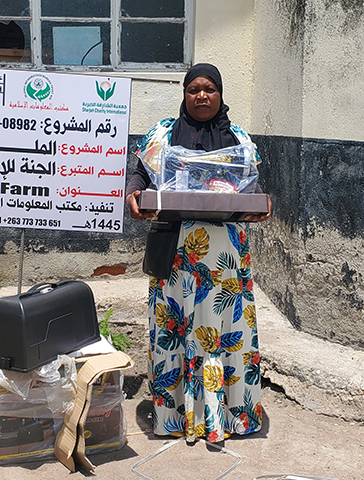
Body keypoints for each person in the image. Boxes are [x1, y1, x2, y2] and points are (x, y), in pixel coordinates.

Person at [126, 63, 271, 442]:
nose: (202, 96)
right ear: (184, 94)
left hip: (225, 257)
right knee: (176, 328)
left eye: (209, 89)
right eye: (194, 89)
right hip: (176, 254)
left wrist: (260, 203)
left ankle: (227, 416)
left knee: (225, 330)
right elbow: (140, 173)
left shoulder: (238, 138)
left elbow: (252, 184)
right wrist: (133, 192)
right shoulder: (163, 133)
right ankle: (177, 418)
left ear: (220, 94)